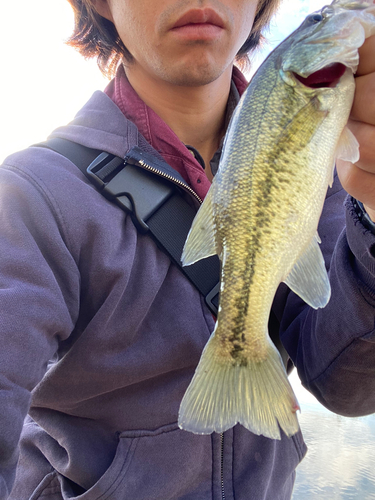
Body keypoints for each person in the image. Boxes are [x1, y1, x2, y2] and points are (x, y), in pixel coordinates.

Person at [0, 0, 374, 499]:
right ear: (100, 5)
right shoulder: (29, 195)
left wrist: (371, 207)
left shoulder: (330, 180)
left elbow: (347, 385)